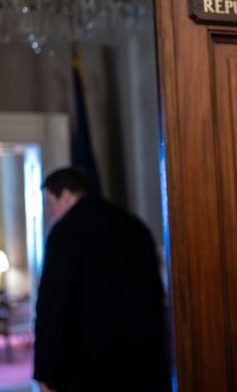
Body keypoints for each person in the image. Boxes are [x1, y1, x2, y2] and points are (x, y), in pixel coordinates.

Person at [33, 167, 168, 392]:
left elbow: (53, 306)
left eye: (50, 202)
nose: (50, 211)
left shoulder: (64, 232)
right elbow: (155, 296)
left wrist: (46, 372)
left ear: (66, 195)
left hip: (87, 369)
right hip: (141, 363)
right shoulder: (134, 225)